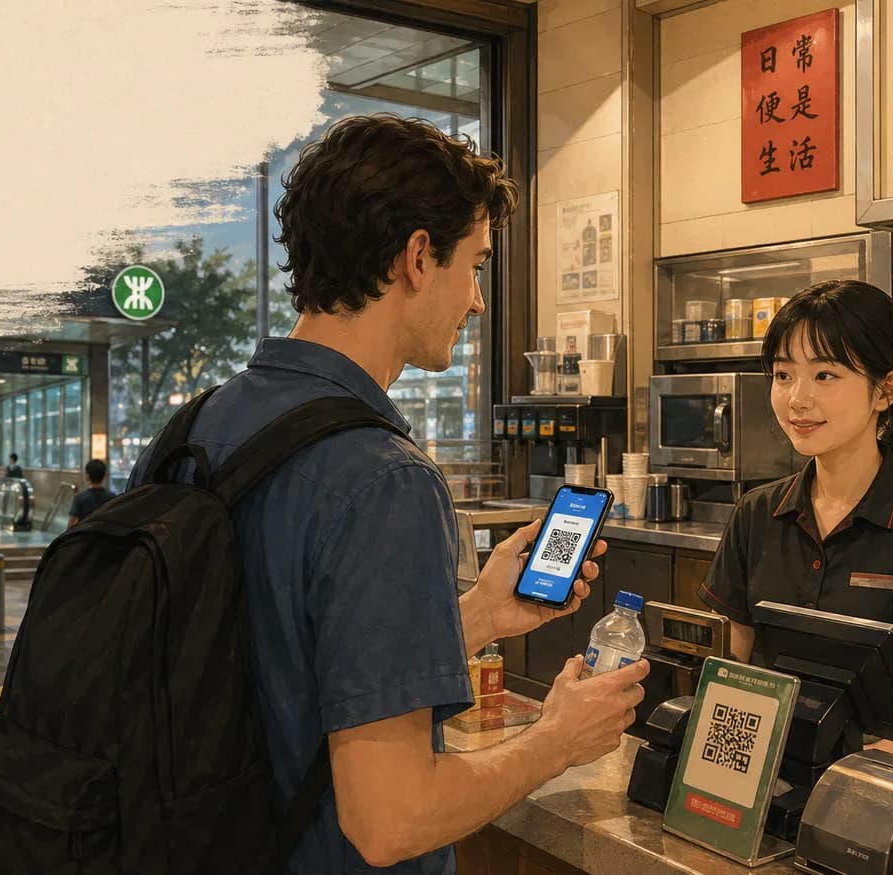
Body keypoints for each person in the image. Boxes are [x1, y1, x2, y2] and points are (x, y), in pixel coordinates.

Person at [126, 114, 647, 872]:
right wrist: (555, 741)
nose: (476, 302)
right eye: (475, 266)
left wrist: (473, 618)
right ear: (416, 258)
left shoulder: (193, 430)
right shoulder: (384, 477)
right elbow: (391, 818)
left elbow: (271, 668)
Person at [699, 280, 893, 770]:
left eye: (825, 375)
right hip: (767, 782)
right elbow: (729, 668)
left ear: (885, 390)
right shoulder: (757, 513)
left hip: (888, 798)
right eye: (783, 375)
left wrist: (844, 771)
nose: (797, 399)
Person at [66, 459, 114, 528]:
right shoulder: (112, 497)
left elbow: (70, 525)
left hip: (85, 536)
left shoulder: (80, 498)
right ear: (104, 476)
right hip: (105, 537)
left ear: (87, 476)